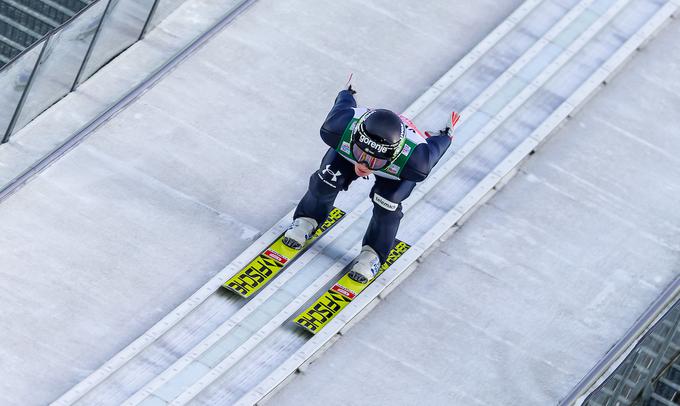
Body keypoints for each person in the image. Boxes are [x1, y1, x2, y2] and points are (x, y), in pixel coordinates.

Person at [283, 77, 459, 283]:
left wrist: (446, 135)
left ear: (394, 154)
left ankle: (373, 254)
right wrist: (348, 92)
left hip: (395, 171)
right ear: (355, 136)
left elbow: (436, 148)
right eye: (361, 151)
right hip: (372, 160)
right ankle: (307, 220)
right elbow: (344, 103)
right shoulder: (338, 127)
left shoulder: (416, 162)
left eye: (374, 160)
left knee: (388, 202)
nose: (364, 165)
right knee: (327, 178)